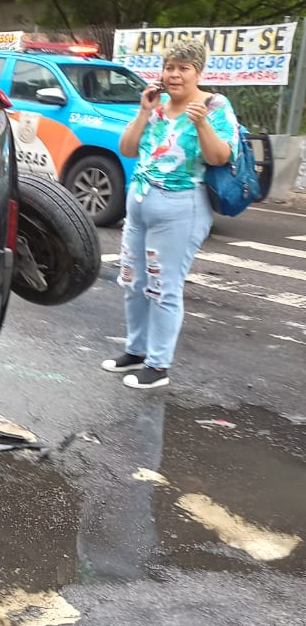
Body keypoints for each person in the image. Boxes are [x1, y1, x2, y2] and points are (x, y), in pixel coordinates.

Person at [101, 38, 238, 389]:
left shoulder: (215, 105)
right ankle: (136, 349)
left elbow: (220, 157)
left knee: (164, 288)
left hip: (181, 207)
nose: (174, 75)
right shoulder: (157, 105)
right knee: (132, 280)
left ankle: (158, 366)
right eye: (170, 67)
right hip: (140, 203)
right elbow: (128, 149)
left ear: (198, 72)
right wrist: (144, 111)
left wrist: (203, 124)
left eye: (183, 68)